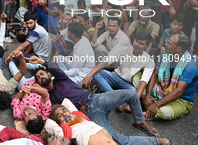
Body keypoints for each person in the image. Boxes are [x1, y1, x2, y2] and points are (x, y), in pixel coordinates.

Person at [29, 57, 170, 145]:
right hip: (91, 116)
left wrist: (41, 62)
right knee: (118, 140)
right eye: (38, 78)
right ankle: (155, 142)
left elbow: (55, 68)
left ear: (48, 74)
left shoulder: (61, 78)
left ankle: (140, 122)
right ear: (40, 83)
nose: (41, 77)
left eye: (42, 74)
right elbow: (49, 113)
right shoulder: (51, 98)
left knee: (131, 94)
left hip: (96, 99)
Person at [83, 32, 155, 103]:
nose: (137, 45)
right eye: (136, 41)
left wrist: (134, 102)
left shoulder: (149, 61)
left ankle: (110, 93)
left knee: (133, 92)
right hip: (115, 76)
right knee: (97, 74)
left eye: (141, 43)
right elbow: (105, 62)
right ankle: (114, 96)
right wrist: (88, 76)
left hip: (127, 84)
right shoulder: (123, 49)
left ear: (147, 46)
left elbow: (143, 82)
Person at [143, 34, 198, 121]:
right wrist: (148, 95)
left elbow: (179, 91)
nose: (165, 44)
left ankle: (151, 110)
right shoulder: (164, 55)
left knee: (164, 113)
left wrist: (156, 104)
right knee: (138, 79)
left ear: (178, 48)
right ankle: (150, 106)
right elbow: (155, 75)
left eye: (169, 43)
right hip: (162, 89)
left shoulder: (191, 66)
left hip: (181, 100)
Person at [55, 21, 95, 88]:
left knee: (58, 81)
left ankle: (64, 76)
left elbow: (75, 71)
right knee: (59, 58)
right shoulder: (83, 39)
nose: (67, 33)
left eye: (68, 32)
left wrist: (60, 74)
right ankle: (64, 74)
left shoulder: (81, 50)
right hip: (77, 68)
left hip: (80, 77)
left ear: (72, 35)